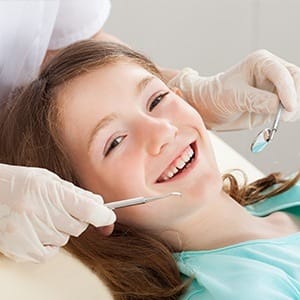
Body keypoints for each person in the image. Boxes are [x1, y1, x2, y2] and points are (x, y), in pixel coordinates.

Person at [1, 0, 300, 264]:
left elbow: (75, 44)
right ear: (82, 204)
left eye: (157, 100)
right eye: (115, 142)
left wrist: (198, 90)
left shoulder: (284, 196)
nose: (162, 131)